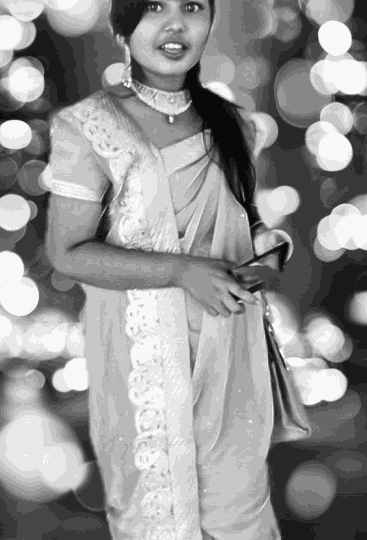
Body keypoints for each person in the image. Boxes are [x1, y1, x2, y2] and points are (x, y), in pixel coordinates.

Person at [44, 1, 294, 538]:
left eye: (193, 6)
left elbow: (243, 223)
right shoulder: (88, 127)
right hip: (145, 365)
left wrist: (270, 252)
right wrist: (182, 272)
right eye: (155, 5)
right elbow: (67, 252)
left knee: (241, 516)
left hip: (230, 358)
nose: (175, 24)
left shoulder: (234, 123)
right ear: (123, 23)